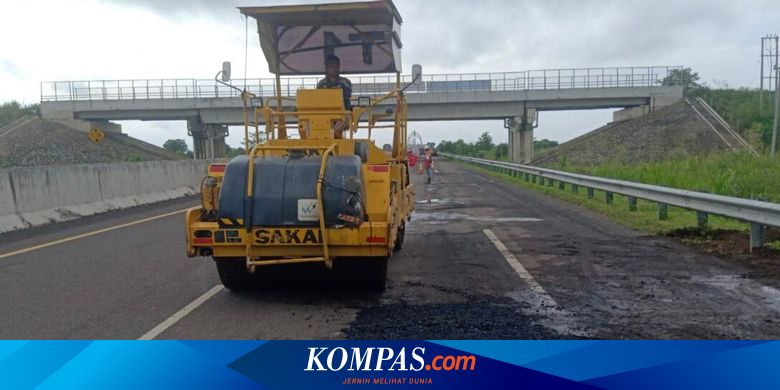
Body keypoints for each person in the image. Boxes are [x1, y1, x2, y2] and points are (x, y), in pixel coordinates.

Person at [317, 55, 352, 137]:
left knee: (347, 116)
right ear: (326, 68)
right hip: (325, 113)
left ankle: (333, 133)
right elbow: (318, 100)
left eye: (336, 67)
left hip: (342, 113)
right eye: (331, 67)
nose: (333, 69)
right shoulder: (321, 84)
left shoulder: (345, 82)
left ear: (339, 67)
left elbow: (346, 97)